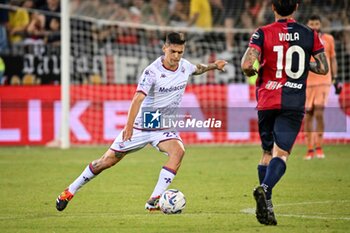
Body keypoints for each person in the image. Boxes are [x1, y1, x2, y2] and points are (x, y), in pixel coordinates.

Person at [56, 32, 227, 212]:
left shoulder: (184, 66)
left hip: (164, 125)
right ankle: (69, 191)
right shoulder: (152, 72)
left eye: (180, 52)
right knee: (105, 162)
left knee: (178, 151)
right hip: (141, 125)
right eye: (173, 52)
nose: (176, 56)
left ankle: (153, 200)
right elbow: (137, 99)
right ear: (165, 49)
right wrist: (129, 127)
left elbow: (197, 68)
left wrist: (214, 66)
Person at [241, 0, 329, 226]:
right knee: (281, 155)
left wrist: (257, 68)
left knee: (266, 153)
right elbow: (322, 67)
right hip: (292, 101)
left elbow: (246, 64)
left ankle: (267, 207)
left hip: (267, 100)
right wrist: (301, 64)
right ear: (296, 7)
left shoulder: (262, 33)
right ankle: (265, 189)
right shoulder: (310, 34)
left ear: (273, 8)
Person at [304, 15, 342, 160]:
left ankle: (319, 147)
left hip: (323, 81)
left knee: (319, 113)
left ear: (320, 24)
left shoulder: (329, 39)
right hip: (307, 82)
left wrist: (335, 78)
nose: (314, 26)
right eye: (311, 23)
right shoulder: (303, 39)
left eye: (316, 23)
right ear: (308, 24)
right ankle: (309, 148)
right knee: (308, 115)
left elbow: (332, 60)